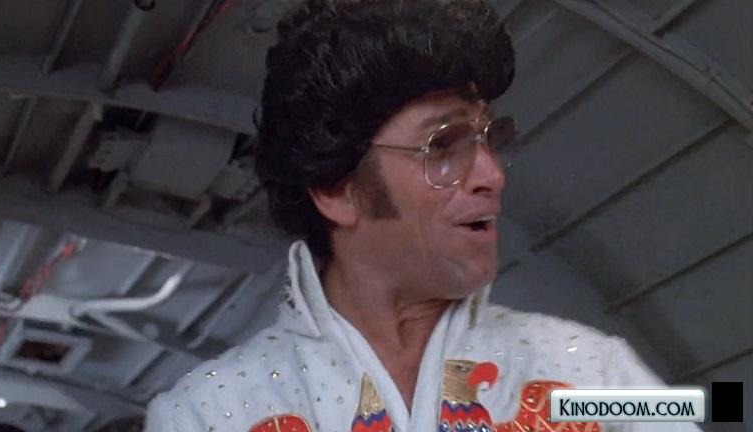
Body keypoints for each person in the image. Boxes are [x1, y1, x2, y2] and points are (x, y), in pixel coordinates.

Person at [146, 1, 700, 431]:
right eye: (443, 145)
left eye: (490, 138)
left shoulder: (597, 374)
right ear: (336, 189)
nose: (492, 174)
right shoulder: (201, 415)